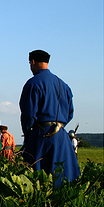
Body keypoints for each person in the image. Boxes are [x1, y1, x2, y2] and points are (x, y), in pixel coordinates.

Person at [19, 50, 80, 185]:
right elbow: (70, 113)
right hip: (61, 137)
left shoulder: (33, 83)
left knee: (36, 179)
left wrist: (28, 134)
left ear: (33, 62)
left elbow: (28, 115)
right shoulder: (63, 85)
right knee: (64, 178)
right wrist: (59, 125)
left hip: (41, 136)